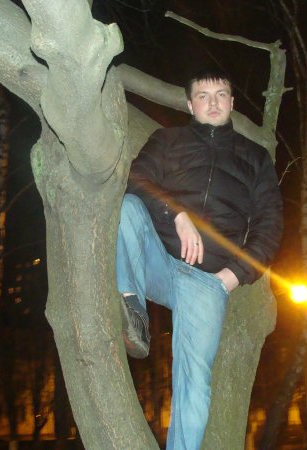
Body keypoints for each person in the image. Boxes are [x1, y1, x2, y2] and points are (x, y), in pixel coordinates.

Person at [116, 68, 283, 449]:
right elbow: (137, 179)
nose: (213, 103)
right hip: (158, 258)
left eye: (220, 95)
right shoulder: (167, 140)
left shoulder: (255, 158)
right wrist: (177, 214)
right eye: (203, 96)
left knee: (195, 382)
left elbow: (270, 225)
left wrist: (233, 276)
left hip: (209, 280)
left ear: (232, 103)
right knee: (127, 208)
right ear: (190, 104)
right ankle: (133, 310)